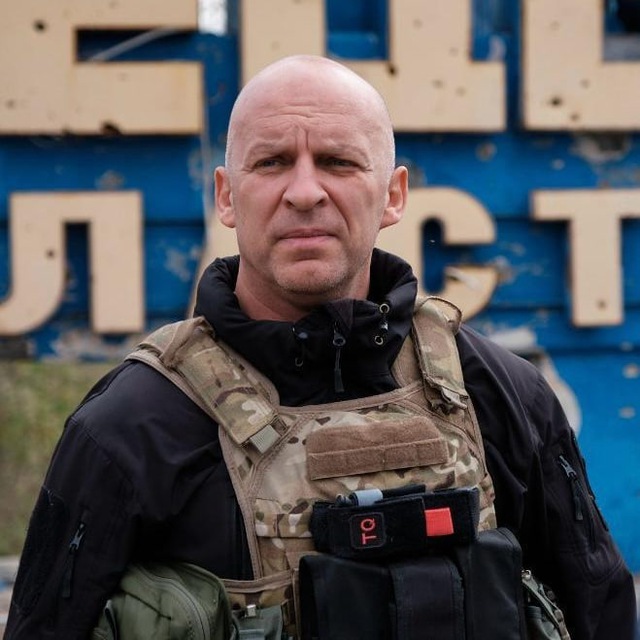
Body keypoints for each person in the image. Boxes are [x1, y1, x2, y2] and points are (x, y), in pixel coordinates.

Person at [5, 54, 637, 639]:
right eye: (272, 162)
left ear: (393, 195)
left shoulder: (502, 394)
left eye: (337, 162)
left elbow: (601, 614)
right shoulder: (130, 426)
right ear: (227, 195)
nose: (305, 192)